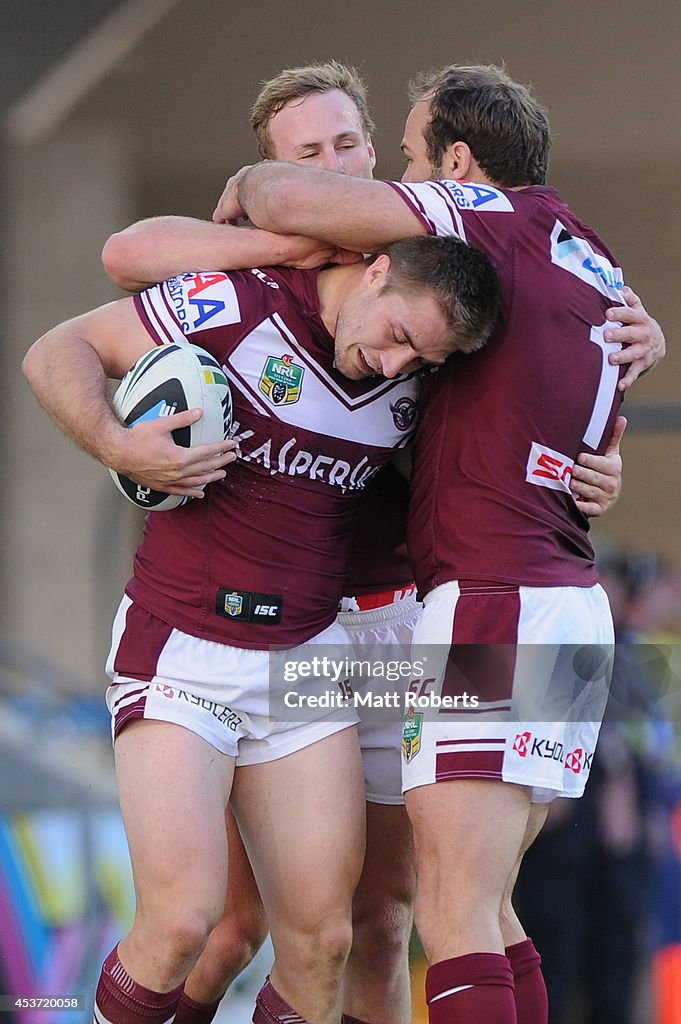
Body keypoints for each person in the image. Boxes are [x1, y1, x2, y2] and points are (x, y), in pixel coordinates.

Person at [101, 61, 639, 1024]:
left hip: (435, 618)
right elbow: (127, 255)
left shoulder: (447, 278)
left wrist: (603, 441)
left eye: (360, 145)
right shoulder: (286, 287)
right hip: (321, 634)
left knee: (398, 917)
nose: (347, 166)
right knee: (241, 923)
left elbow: (562, 379)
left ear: (449, 167)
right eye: (309, 154)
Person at [22, 233, 500, 1024]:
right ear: (376, 270)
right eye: (398, 338)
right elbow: (56, 349)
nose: (394, 367)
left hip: (305, 662)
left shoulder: (416, 382)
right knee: (182, 924)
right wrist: (117, 443)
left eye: (419, 362)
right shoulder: (239, 303)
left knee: (322, 943)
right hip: (180, 647)